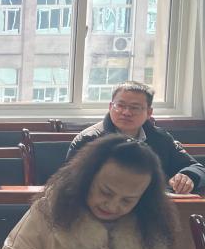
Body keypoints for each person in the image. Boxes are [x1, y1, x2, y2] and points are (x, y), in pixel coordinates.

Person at [0, 135, 176, 249]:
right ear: (86, 179)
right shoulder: (48, 211)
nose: (112, 206)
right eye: (105, 192)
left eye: (128, 200)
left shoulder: (151, 225)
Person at [68, 81, 204, 194]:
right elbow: (72, 182)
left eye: (135, 107)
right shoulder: (89, 139)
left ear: (149, 112)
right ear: (110, 106)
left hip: (153, 207)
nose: (126, 112)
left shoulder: (160, 138)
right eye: (120, 105)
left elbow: (196, 167)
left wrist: (188, 176)